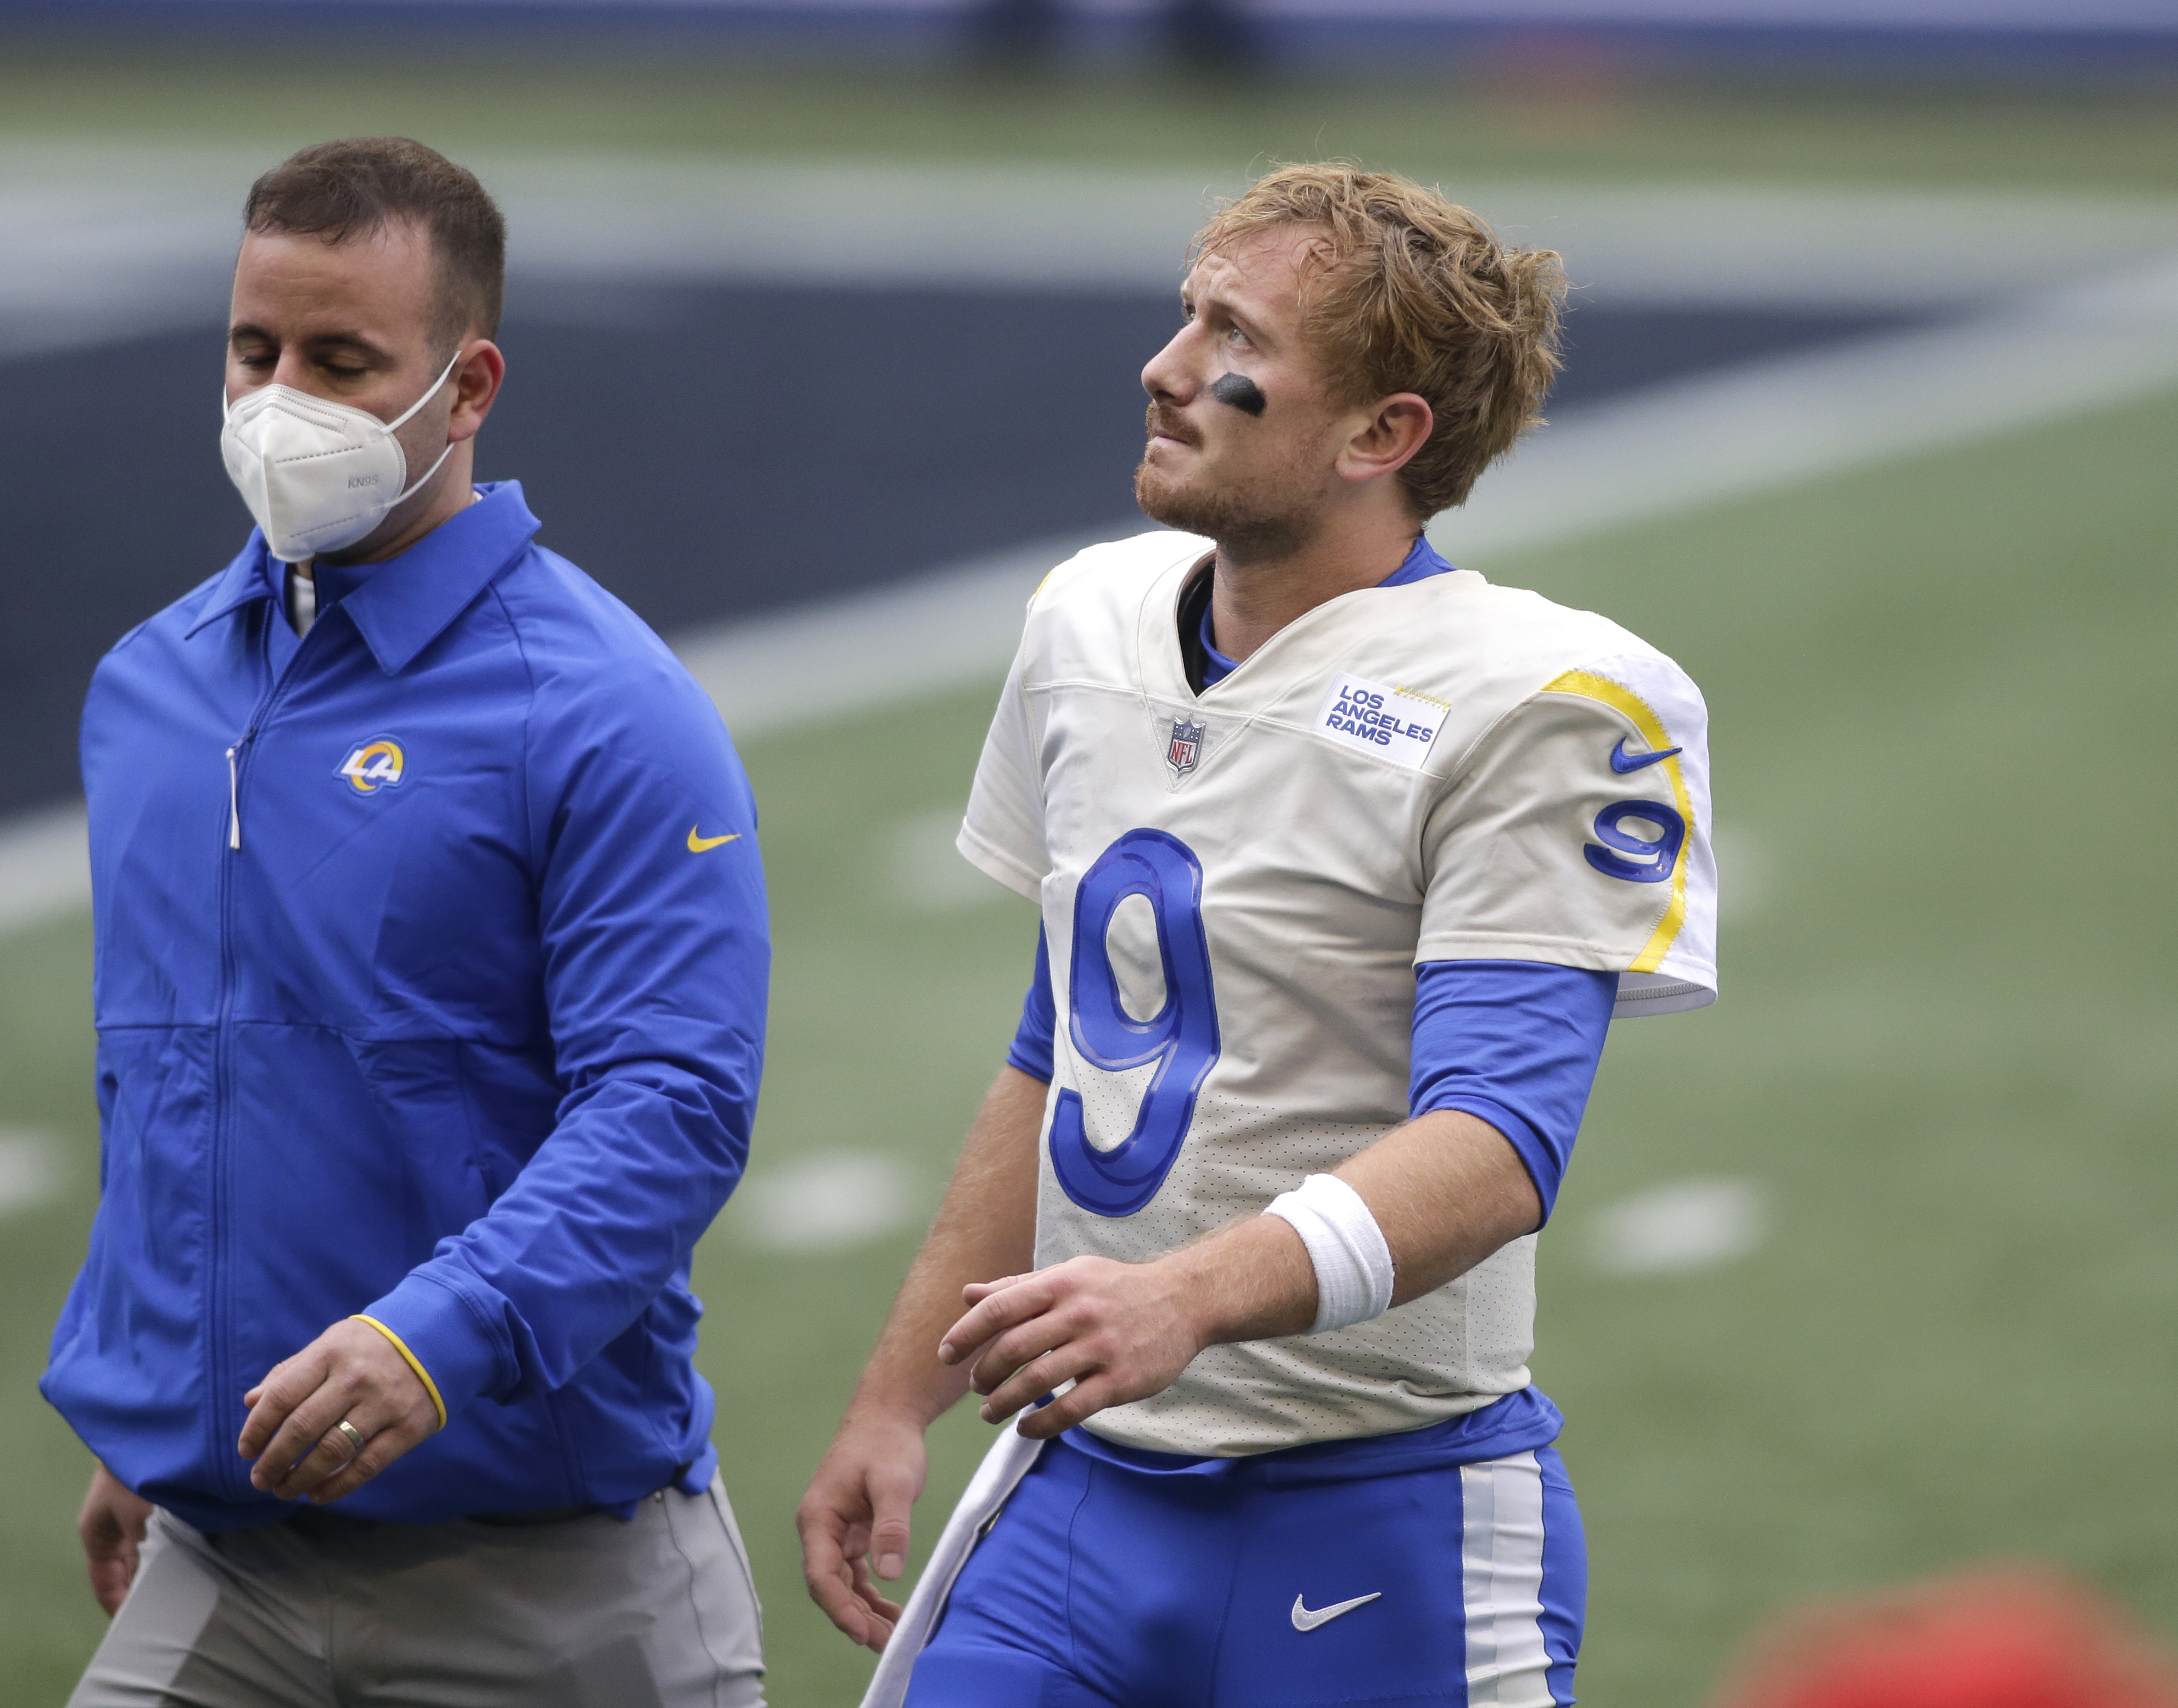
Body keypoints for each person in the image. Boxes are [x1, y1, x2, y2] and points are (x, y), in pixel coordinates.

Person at [798, 164, 1718, 1706]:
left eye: (1233, 336)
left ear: (1380, 435)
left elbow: (1498, 1143)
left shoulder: (1537, 699)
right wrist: (902, 1395)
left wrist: (1183, 1295)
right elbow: (1062, 1054)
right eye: (1184, 311)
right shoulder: (1089, 624)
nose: (1164, 368)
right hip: (1075, 1497)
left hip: (1382, 1513)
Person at [45, 137, 770, 1706]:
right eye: (255, 349)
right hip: (222, 1561)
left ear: (470, 382)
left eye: (342, 359)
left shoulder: (608, 709)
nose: (279, 399)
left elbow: (672, 1109)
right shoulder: (150, 693)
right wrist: (156, 1404)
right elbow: (171, 1083)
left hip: (551, 1584)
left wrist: (442, 1336)